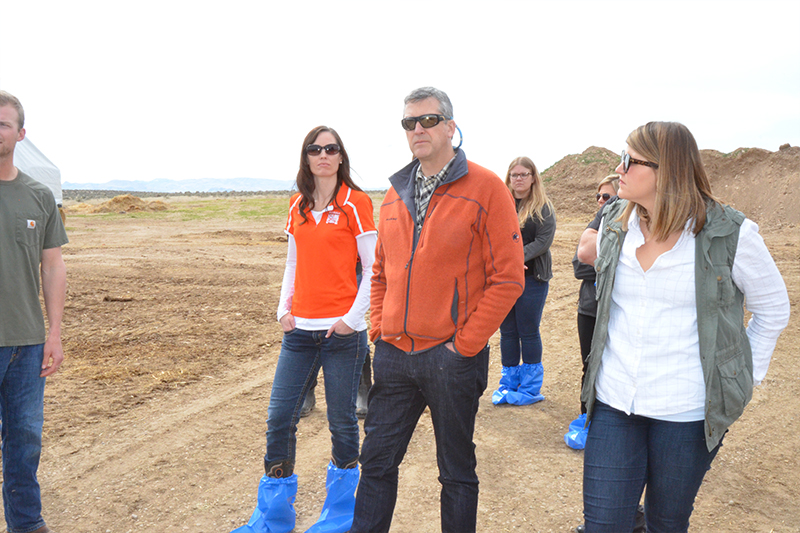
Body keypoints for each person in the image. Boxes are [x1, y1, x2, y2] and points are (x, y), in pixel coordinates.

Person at [577, 122, 790, 533]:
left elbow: (773, 308)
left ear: (666, 169)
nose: (618, 169)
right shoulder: (614, 225)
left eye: (629, 160)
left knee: (666, 523)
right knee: (603, 524)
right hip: (615, 402)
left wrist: (743, 378)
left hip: (686, 412)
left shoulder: (730, 233)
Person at [350, 87, 525, 533]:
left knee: (456, 472)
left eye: (427, 120)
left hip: (451, 360)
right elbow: (381, 272)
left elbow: (508, 279)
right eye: (409, 123)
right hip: (394, 356)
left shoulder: (487, 188)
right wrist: (378, 328)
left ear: (450, 127)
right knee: (376, 463)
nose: (417, 130)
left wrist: (464, 344)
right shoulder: (394, 193)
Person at [231, 126, 376, 533]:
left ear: (341, 157)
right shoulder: (297, 205)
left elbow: (374, 268)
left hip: (342, 336)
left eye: (331, 149)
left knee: (342, 422)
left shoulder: (356, 203)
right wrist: (283, 309)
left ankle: (342, 516)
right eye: (315, 149)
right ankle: (273, 518)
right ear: (307, 157)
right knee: (279, 419)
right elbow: (293, 263)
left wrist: (351, 319)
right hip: (298, 334)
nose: (323, 155)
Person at [0, 90, 67, 533]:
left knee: (24, 443)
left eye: (3, 124)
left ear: (20, 134)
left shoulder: (39, 196)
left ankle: (26, 523)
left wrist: (55, 333)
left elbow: (52, 266)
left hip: (26, 343)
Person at [491, 156, 555, 406]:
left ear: (533, 177)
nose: (518, 179)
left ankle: (529, 387)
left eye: (523, 174)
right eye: (514, 175)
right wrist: (505, 262)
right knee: (507, 331)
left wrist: (516, 258)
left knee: (527, 331)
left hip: (532, 278)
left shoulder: (543, 207)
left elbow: (543, 241)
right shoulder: (501, 203)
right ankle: (509, 383)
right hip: (503, 278)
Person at [564, 174, 618, 449]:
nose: (600, 201)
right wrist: (611, 264)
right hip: (589, 309)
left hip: (613, 310)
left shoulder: (628, 223)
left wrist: (603, 263)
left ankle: (609, 422)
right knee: (589, 364)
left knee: (611, 366)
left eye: (606, 197)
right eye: (598, 196)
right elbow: (578, 266)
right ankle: (586, 416)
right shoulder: (595, 223)